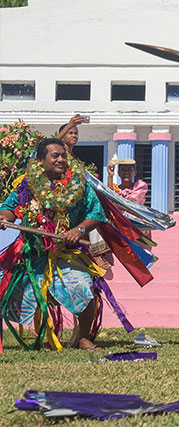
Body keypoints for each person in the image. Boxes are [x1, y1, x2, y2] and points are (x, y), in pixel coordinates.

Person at [0, 138, 107, 350]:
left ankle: (84, 337)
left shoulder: (80, 185)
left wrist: (80, 229)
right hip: (31, 256)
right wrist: (4, 217)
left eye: (63, 155)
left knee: (85, 287)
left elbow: (96, 213)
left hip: (66, 255)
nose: (61, 159)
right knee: (2, 284)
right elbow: (10, 208)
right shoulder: (26, 185)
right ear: (40, 160)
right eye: (55, 155)